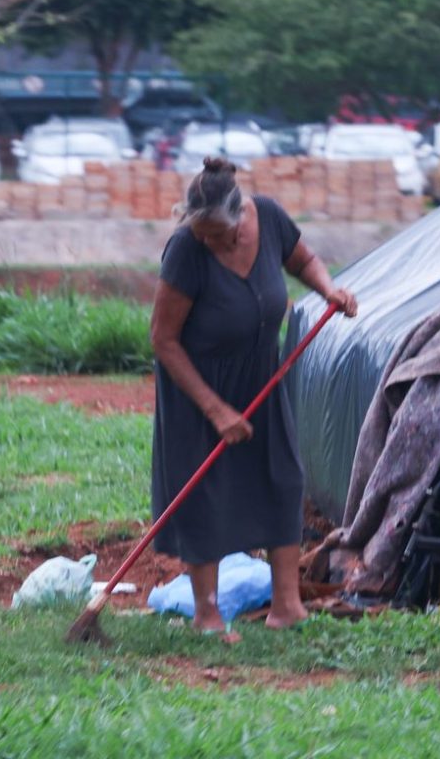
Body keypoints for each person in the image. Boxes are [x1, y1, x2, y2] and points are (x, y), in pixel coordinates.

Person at [150, 157, 358, 633]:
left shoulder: (269, 217)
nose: (208, 242)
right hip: (200, 386)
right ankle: (207, 615)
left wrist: (328, 289)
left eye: (217, 235)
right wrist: (216, 410)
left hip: (261, 376)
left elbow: (303, 260)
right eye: (201, 234)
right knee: (204, 492)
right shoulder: (186, 249)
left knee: (282, 478)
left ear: (241, 217)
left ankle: (287, 606)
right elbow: (163, 339)